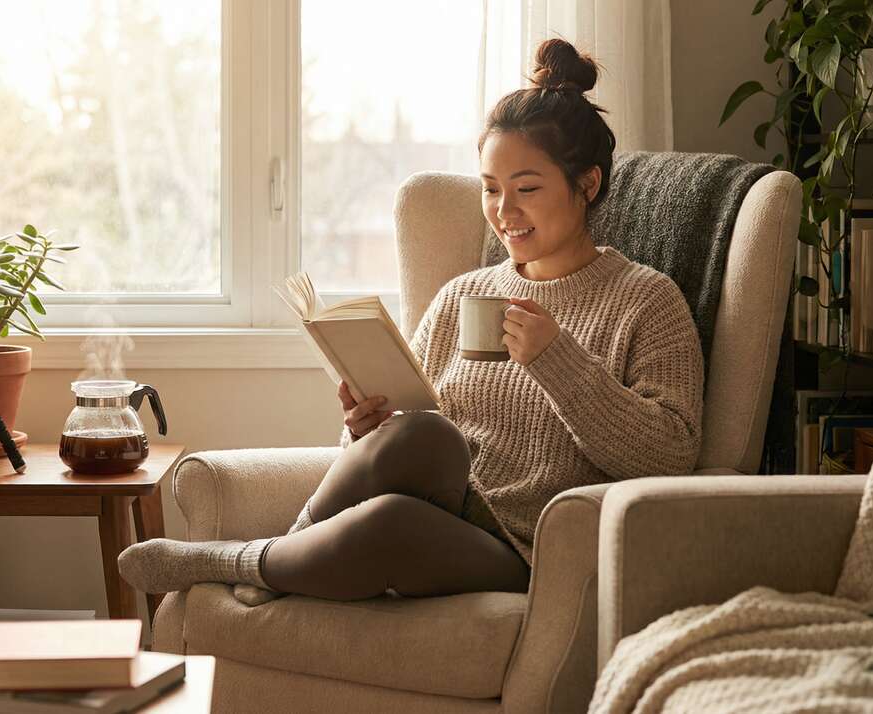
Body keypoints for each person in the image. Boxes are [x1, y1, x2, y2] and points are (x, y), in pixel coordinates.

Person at [118, 38, 704, 604]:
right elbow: (407, 444)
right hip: (451, 501)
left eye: (526, 188)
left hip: (531, 550)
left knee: (392, 523)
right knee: (425, 433)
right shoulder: (463, 296)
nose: (504, 212)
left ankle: (235, 561)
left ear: (588, 184)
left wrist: (560, 361)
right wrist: (362, 428)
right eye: (491, 189)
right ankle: (288, 554)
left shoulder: (646, 300)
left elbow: (670, 455)